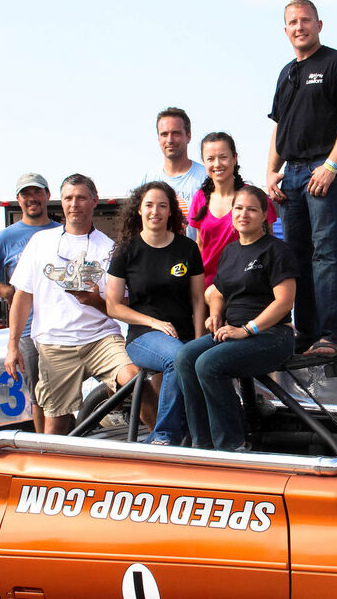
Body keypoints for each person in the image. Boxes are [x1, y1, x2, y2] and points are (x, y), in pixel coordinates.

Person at [265, 0, 337, 356]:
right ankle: (305, 333)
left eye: (305, 20)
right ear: (285, 30)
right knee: (295, 258)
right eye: (292, 22)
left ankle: (331, 336)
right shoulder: (284, 73)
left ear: (319, 25)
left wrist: (331, 165)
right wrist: (270, 172)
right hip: (290, 175)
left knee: (326, 254)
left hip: (322, 169)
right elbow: (280, 127)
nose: (299, 27)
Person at [6, 174, 138, 435]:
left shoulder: (110, 249)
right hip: (54, 343)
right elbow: (22, 297)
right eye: (68, 198)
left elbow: (120, 304)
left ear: (94, 201)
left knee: (134, 379)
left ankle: (157, 441)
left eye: (81, 197)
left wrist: (95, 301)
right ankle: (50, 471)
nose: (74, 203)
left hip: (100, 338)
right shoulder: (40, 243)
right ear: (61, 202)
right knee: (56, 421)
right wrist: (12, 345)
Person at [175, 186, 299, 451]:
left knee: (209, 363)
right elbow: (216, 291)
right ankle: (203, 443)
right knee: (185, 357)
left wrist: (247, 329)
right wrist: (216, 313)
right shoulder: (231, 251)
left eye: (252, 209)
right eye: (239, 208)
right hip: (233, 333)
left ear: (265, 216)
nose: (244, 214)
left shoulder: (276, 250)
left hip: (272, 335)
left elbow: (284, 302)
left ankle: (231, 446)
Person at [107, 182, 206, 445]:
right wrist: (153, 322)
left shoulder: (188, 248)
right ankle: (164, 436)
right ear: (138, 210)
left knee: (207, 360)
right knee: (179, 358)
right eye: (149, 205)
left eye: (163, 205)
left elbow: (198, 299)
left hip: (185, 335)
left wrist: (199, 340)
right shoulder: (126, 251)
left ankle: (213, 440)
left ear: (171, 211)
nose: (155, 211)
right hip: (144, 335)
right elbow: (114, 306)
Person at [0, 172, 61, 432]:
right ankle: (46, 450)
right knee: (39, 396)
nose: (32, 199)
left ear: (47, 196)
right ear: (19, 200)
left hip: (63, 328)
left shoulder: (62, 232)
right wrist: (7, 292)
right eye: (26, 194)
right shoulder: (6, 238)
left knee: (64, 395)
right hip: (30, 330)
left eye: (37, 193)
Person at [189, 132, 277, 286]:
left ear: (235, 158)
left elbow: (270, 241)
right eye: (210, 159)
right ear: (203, 162)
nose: (217, 164)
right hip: (208, 286)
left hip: (246, 285)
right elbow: (200, 245)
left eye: (223, 157)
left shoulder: (254, 197)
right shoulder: (199, 198)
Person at [140, 107, 209, 238]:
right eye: (164, 134)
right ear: (158, 138)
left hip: (196, 257)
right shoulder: (149, 178)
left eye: (176, 133)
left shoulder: (206, 176)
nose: (170, 140)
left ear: (188, 136)